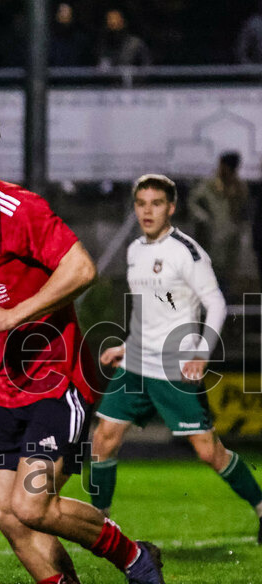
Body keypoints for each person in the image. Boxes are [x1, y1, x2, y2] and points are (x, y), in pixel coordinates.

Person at [0, 98, 169, 584]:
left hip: (60, 377)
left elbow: (81, 267)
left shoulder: (15, 207)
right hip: (11, 385)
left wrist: (9, 316)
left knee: (33, 504)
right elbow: (3, 305)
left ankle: (137, 559)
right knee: (7, 513)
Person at [89, 174, 262, 540]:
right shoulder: (135, 249)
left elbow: (215, 304)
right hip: (135, 363)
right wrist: (127, 345)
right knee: (104, 438)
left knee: (207, 451)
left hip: (173, 368)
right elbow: (148, 309)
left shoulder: (187, 252)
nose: (147, 211)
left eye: (156, 204)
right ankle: (98, 525)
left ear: (171, 207)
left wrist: (201, 352)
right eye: (141, 203)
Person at [189, 152, 249, 283]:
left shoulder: (238, 187)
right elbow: (193, 203)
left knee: (227, 274)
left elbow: (242, 210)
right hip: (210, 236)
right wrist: (202, 217)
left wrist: (239, 226)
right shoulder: (210, 185)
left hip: (230, 238)